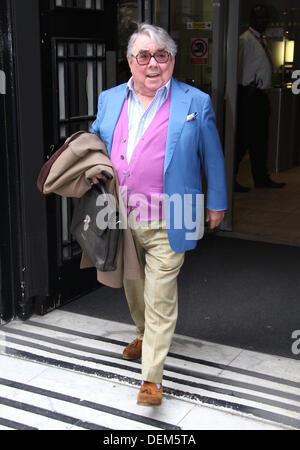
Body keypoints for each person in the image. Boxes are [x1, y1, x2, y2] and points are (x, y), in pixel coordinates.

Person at [90, 23, 227, 405]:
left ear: (172, 59)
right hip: (120, 213)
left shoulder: (195, 102)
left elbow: (211, 156)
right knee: (133, 288)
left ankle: (152, 377)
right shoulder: (110, 98)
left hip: (175, 213)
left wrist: (217, 202)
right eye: (143, 56)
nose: (153, 64)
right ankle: (141, 332)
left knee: (160, 294)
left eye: (161, 55)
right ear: (130, 61)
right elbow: (96, 141)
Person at [235, 4, 286, 192]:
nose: (264, 21)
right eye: (260, 18)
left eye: (266, 18)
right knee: (243, 140)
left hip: (260, 96)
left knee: (260, 140)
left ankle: (261, 178)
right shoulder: (245, 40)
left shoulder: (260, 40)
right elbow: (238, 68)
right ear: (252, 20)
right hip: (249, 95)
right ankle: (230, 178)